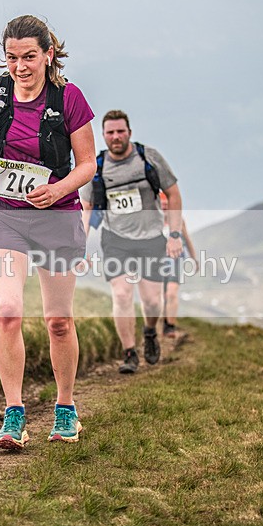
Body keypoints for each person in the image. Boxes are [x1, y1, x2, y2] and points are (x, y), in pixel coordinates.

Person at [0, 15, 96, 449]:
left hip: (57, 214)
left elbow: (88, 163)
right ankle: (13, 415)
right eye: (12, 58)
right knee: (8, 311)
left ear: (48, 54)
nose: (20, 67)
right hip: (3, 213)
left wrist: (57, 190)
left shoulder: (69, 98)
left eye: (30, 57)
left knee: (57, 321)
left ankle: (66, 409)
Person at [79, 110, 184, 374]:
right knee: (122, 294)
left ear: (129, 132)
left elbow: (173, 195)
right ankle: (129, 352)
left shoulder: (149, 158)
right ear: (103, 136)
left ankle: (149, 331)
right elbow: (87, 207)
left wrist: (174, 235)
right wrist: (79, 245)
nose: (116, 137)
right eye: (110, 133)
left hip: (151, 239)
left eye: (120, 131)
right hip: (115, 240)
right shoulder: (98, 166)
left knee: (151, 302)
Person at [159, 191, 197, 339]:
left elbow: (187, 240)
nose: (164, 208)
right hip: (156, 262)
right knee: (161, 296)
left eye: (166, 205)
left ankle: (170, 326)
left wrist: (194, 259)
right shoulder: (153, 222)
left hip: (175, 260)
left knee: (172, 292)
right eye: (161, 205)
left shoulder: (179, 221)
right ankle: (163, 320)